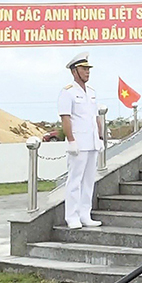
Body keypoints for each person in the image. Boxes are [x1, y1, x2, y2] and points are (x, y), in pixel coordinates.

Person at [58, 51, 105, 229]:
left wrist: (100, 137)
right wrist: (71, 140)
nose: (87, 72)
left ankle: (85, 214)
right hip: (78, 143)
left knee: (88, 181)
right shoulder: (67, 92)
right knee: (75, 181)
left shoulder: (91, 92)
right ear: (74, 71)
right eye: (83, 69)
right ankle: (72, 216)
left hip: (92, 142)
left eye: (88, 69)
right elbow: (66, 118)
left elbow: (95, 117)